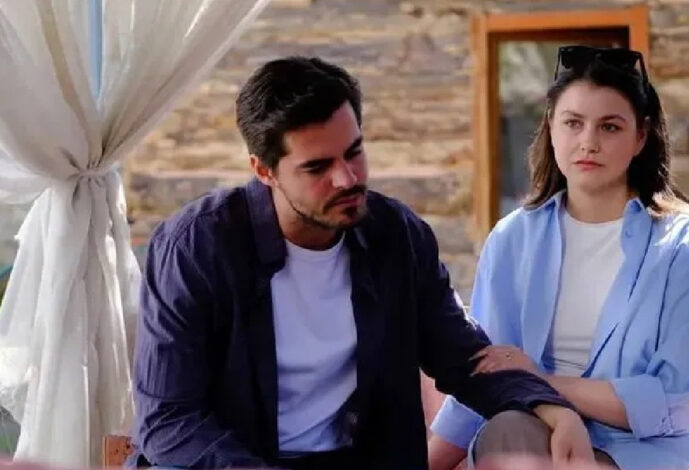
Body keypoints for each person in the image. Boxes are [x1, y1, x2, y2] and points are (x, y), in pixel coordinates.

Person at [127, 56, 592, 470]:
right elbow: (169, 420)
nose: (346, 179)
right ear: (264, 170)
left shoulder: (397, 235)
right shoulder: (196, 248)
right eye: (317, 167)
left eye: (354, 153)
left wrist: (550, 406)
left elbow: (463, 356)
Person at [427, 46, 689, 470]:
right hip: (534, 434)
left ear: (640, 137)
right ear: (551, 127)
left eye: (610, 126)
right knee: (507, 433)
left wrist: (541, 381)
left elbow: (675, 401)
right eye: (573, 123)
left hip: (653, 450)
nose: (588, 142)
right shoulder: (512, 239)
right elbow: (488, 374)